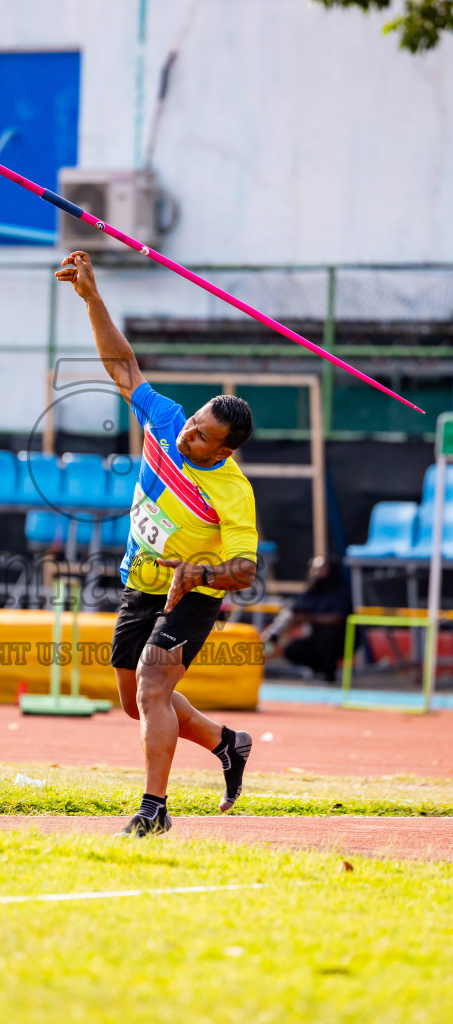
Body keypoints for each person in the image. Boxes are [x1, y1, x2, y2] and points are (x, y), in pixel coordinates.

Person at [56, 251, 259, 837]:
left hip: (191, 592)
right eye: (194, 422)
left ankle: (154, 809)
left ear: (225, 450)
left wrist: (197, 573)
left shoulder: (231, 488)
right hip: (140, 578)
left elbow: (244, 569)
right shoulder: (168, 419)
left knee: (151, 685)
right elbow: (123, 367)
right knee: (135, 700)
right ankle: (228, 743)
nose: (188, 434)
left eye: (202, 436)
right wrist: (92, 297)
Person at [263, 555, 352, 683]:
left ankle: (329, 673)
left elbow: (337, 618)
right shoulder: (311, 592)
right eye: (314, 569)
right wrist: (281, 631)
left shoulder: (339, 592)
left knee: (327, 637)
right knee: (293, 649)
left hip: (341, 640)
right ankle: (317, 669)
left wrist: (310, 618)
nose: (317, 572)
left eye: (321, 569)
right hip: (315, 637)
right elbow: (296, 612)